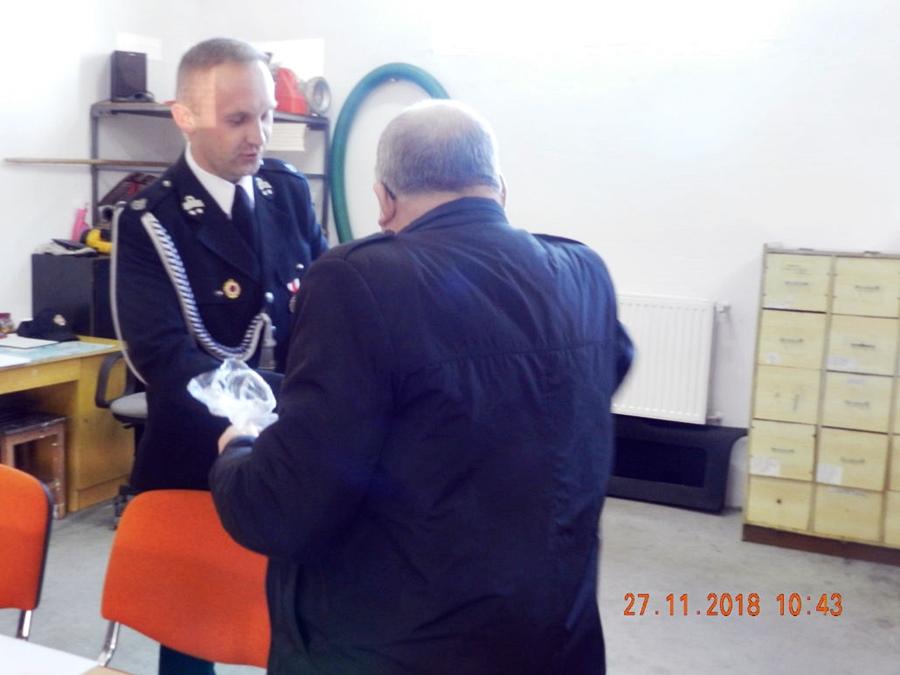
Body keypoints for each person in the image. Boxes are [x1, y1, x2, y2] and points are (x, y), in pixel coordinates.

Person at [210, 100, 633, 674]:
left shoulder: (358, 281)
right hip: (557, 640)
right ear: (499, 189)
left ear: (384, 200)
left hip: (398, 650)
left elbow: (284, 509)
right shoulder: (585, 272)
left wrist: (238, 450)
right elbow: (591, 380)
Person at [112, 37, 327, 675]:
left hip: (294, 455)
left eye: (266, 115)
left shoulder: (287, 192)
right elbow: (162, 357)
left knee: (298, 625)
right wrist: (287, 402)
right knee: (190, 637)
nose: (259, 135)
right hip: (195, 460)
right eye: (237, 119)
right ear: (184, 116)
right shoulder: (150, 220)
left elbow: (324, 307)